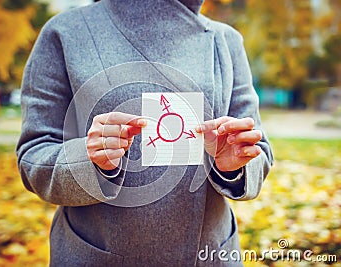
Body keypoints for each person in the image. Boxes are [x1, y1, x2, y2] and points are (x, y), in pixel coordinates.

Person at [16, 0, 274, 266]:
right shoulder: (65, 32)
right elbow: (33, 156)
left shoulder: (226, 40)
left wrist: (234, 165)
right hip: (97, 255)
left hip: (211, 255)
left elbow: (259, 149)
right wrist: (88, 159)